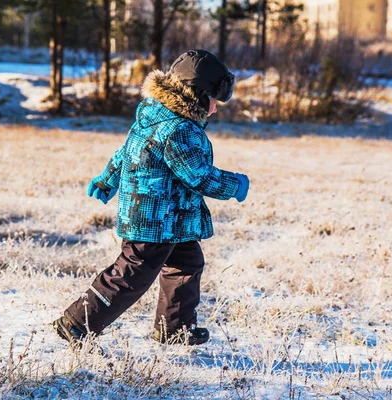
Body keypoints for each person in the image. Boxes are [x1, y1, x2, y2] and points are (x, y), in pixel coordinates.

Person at [53, 49, 250, 346]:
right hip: (154, 220)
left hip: (173, 219)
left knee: (187, 264)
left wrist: (108, 179)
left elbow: (125, 153)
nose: (214, 109)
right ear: (197, 95)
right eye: (213, 101)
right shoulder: (178, 130)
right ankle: (77, 322)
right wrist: (234, 185)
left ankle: (175, 330)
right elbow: (198, 176)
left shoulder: (153, 116)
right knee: (131, 275)